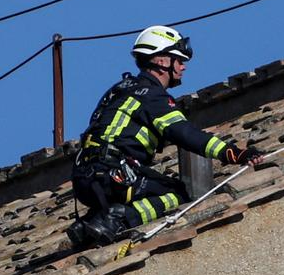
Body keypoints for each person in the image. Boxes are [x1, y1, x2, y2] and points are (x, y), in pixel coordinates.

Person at [67, 25, 266, 249]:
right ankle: (119, 218)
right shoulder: (152, 95)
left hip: (86, 178)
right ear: (162, 61)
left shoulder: (120, 89)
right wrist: (233, 153)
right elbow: (184, 133)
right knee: (177, 193)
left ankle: (88, 226)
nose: (183, 67)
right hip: (112, 177)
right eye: (178, 60)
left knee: (144, 186)